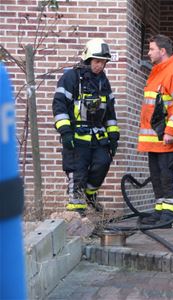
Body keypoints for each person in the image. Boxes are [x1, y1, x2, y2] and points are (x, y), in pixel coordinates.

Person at [52, 38, 120, 214]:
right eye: (97, 61)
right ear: (87, 59)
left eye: (103, 62)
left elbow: (110, 112)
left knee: (103, 162)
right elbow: (59, 106)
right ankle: (76, 213)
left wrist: (113, 135)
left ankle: (90, 194)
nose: (100, 66)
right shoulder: (70, 78)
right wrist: (65, 131)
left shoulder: (103, 81)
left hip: (98, 135)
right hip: (76, 135)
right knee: (78, 172)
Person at [137, 34, 173, 224]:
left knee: (171, 179)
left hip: (169, 140)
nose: (148, 52)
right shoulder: (157, 72)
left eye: (151, 49)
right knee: (158, 179)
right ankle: (160, 212)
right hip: (155, 142)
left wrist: (170, 131)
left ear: (162, 50)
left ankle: (171, 215)